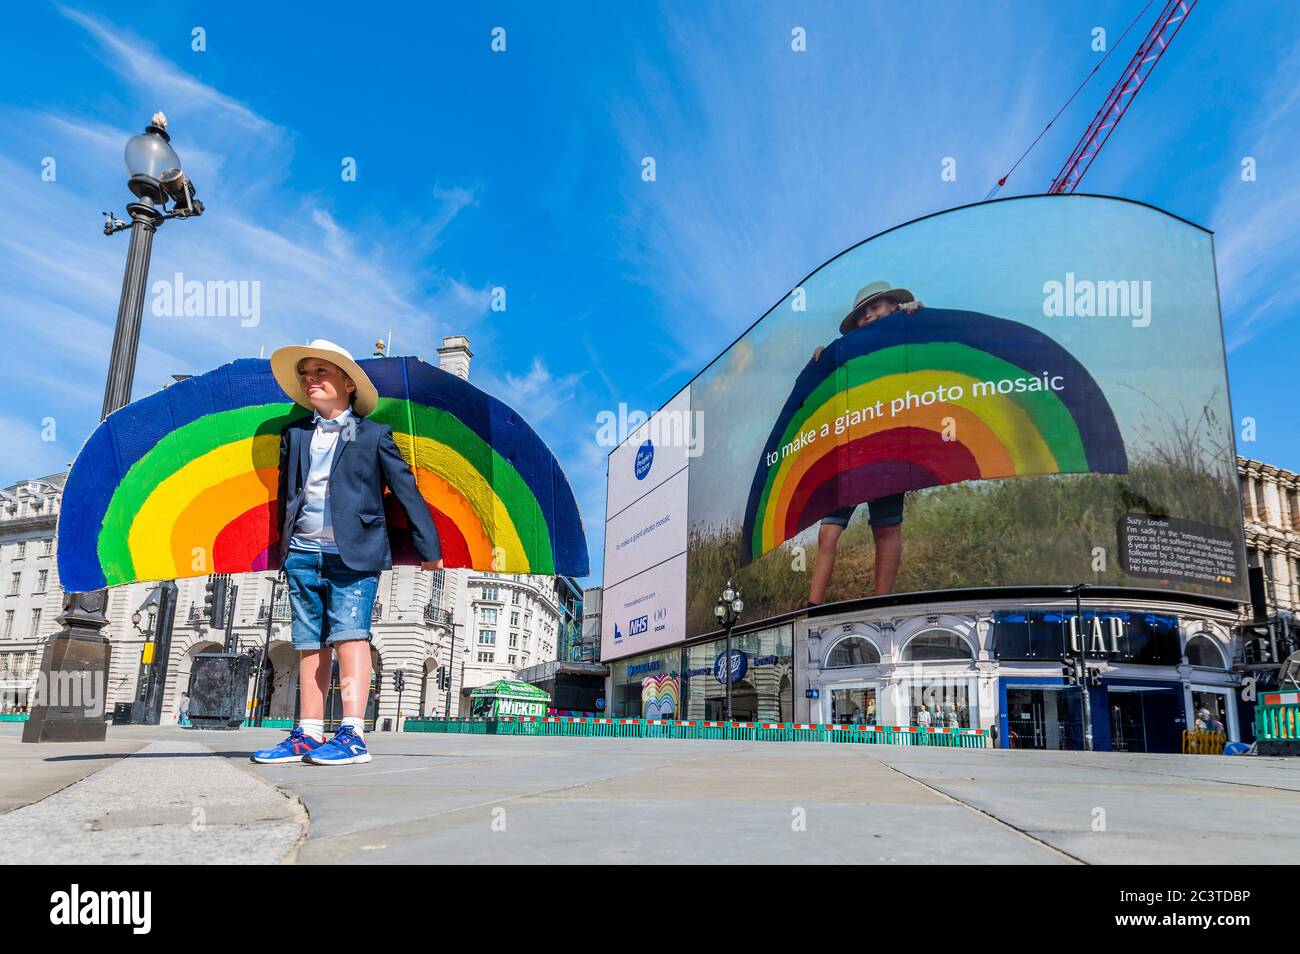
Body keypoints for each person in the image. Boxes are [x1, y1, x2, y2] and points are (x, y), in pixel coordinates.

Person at [251, 340, 443, 766]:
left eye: (321, 371)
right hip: (301, 550)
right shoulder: (295, 434)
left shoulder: (373, 435)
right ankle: (308, 733)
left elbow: (407, 489)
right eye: (305, 374)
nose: (310, 379)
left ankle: (352, 733)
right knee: (308, 642)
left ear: (347, 383)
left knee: (351, 636)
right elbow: (286, 493)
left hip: (354, 553)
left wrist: (428, 547)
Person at [807, 281, 923, 605]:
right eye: (863, 313)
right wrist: (821, 358)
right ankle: (813, 605)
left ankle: (880, 604)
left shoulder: (908, 334)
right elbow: (824, 386)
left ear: (894, 307)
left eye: (877, 306)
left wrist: (915, 317)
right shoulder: (849, 355)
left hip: (888, 450)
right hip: (850, 454)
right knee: (827, 532)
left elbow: (927, 342)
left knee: (886, 529)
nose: (870, 315)